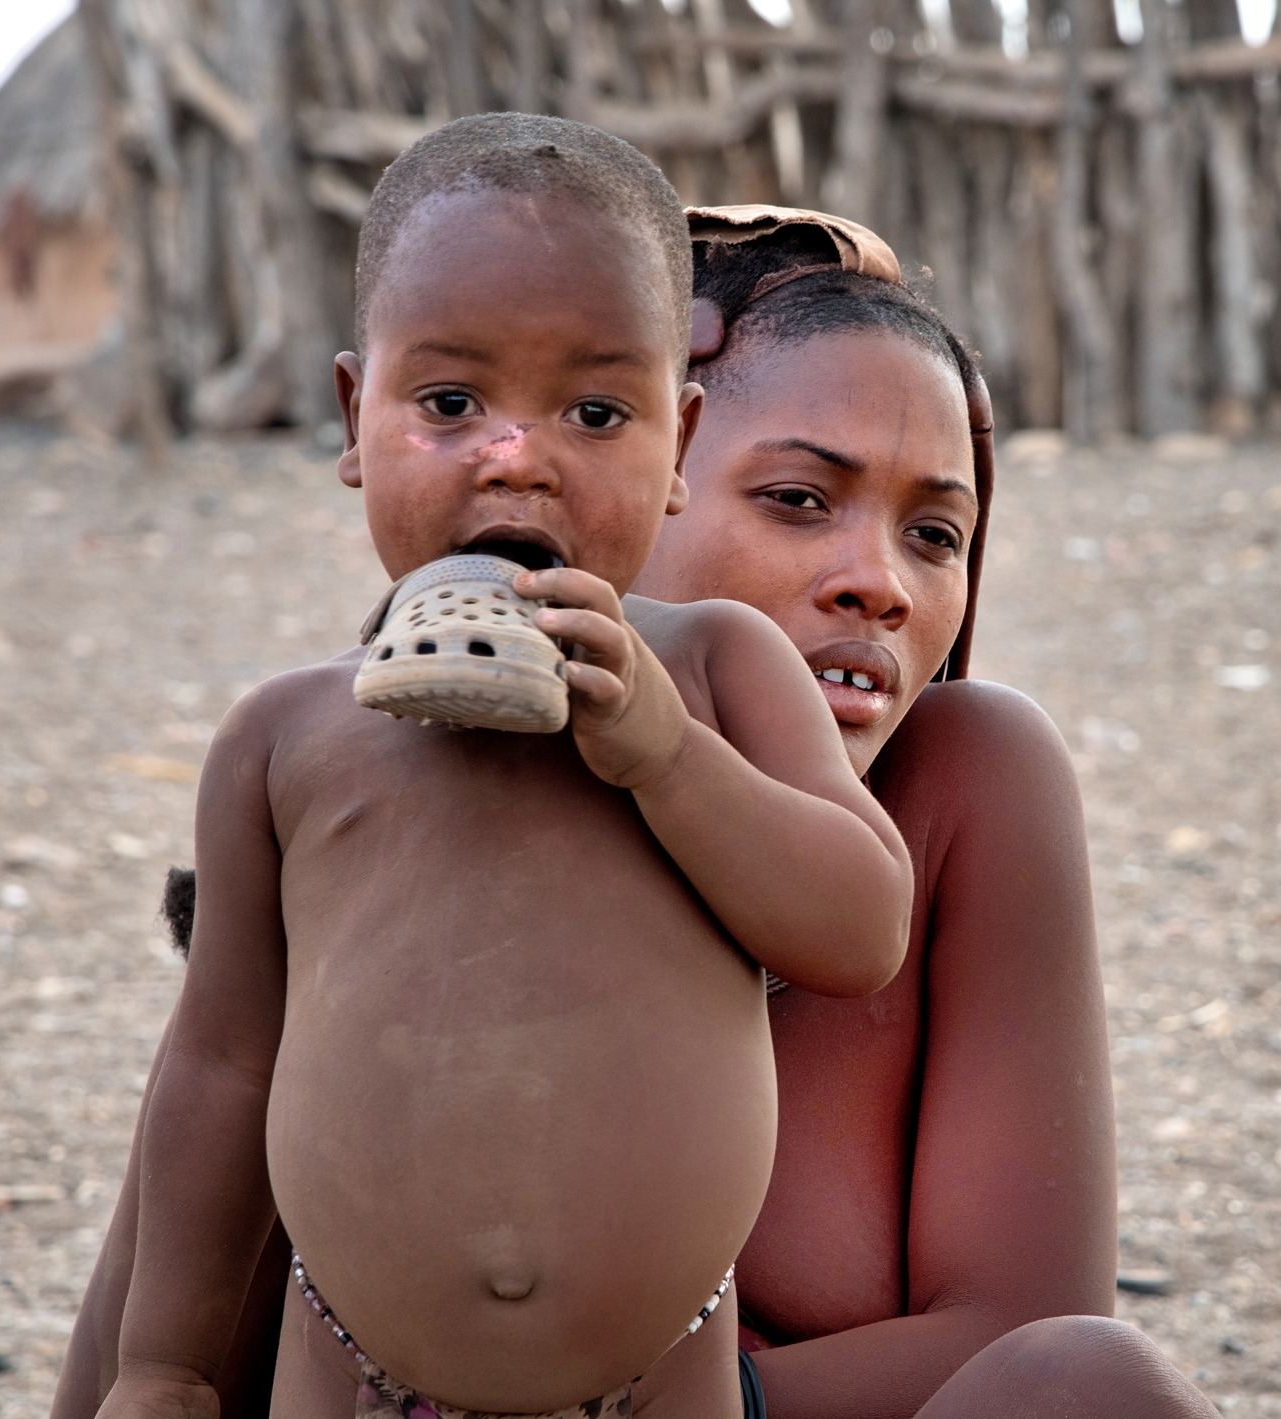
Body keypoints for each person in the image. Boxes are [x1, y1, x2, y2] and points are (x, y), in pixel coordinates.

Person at [55, 204, 1217, 1419]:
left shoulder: (959, 789)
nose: (878, 582)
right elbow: (150, 1348)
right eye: (796, 500)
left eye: (937, 535)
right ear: (647, 490)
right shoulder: (362, 782)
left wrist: (651, 1391)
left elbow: (1027, 1341)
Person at [92, 120, 913, 1419]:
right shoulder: (288, 735)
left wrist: (665, 755)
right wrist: (164, 1363)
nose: (515, 454)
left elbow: (860, 927)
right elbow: (221, 1062)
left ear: (679, 441)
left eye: (595, 411)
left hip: (657, 1384)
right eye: (450, 403)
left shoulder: (714, 670)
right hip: (353, 1377)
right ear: (354, 415)